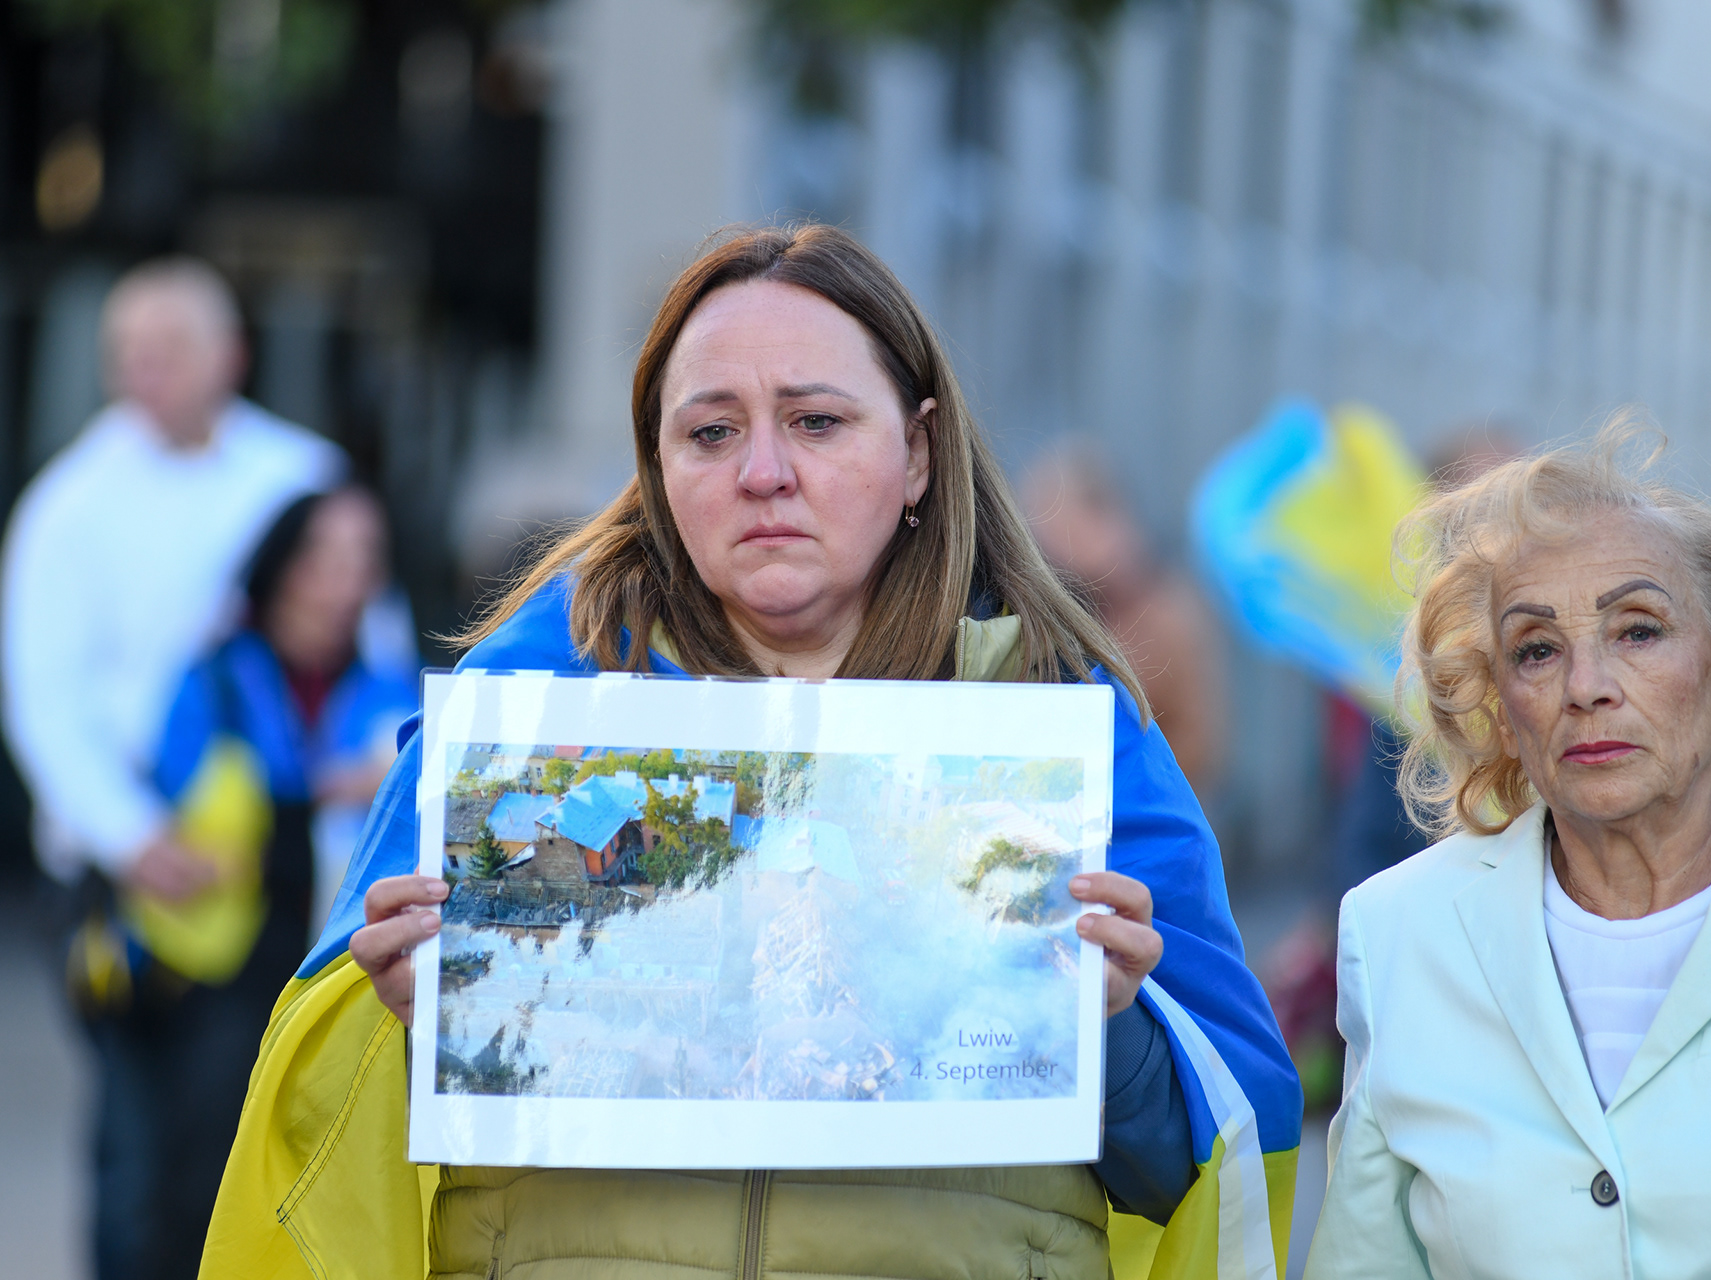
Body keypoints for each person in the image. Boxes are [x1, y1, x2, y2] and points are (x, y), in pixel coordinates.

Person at [202, 224, 1301, 1280]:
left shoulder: (1059, 727)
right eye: (712, 432)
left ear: (918, 452)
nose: (763, 471)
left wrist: (1110, 1030)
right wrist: (407, 1016)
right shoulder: (520, 714)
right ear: (658, 461)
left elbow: (1212, 1157)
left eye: (816, 421)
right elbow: (330, 1126)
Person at [1305, 430, 1711, 1277]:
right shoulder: (1400, 932)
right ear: (1501, 709)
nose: (1585, 685)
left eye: (1637, 631)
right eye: (1536, 649)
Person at [0, 257, 343, 1279]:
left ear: (230, 355)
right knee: (139, 1141)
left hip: (273, 873)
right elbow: (43, 697)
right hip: (122, 877)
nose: (140, 372)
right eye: (125, 353)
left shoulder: (299, 477)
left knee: (254, 1127)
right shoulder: (69, 504)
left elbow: (357, 662)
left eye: (166, 350)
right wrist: (134, 838)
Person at [1021, 442, 1226, 795]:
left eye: (1059, 524)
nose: (1045, 544)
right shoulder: (1046, 611)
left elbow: (1200, 746)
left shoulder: (1166, 615)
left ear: (1104, 518)